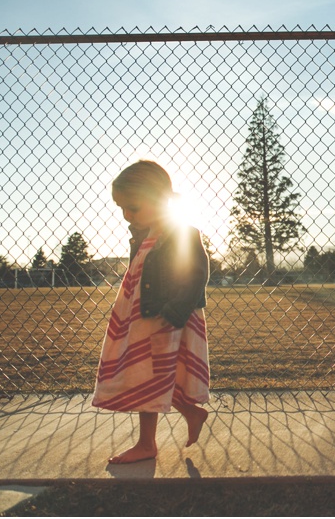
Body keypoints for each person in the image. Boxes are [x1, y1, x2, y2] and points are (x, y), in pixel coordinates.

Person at [92, 160, 211, 464]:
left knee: (150, 374)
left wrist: (177, 311)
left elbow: (196, 274)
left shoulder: (181, 232)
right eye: (122, 209)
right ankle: (190, 413)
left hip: (165, 317)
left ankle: (147, 444)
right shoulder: (146, 235)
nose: (126, 215)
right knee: (150, 373)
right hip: (144, 316)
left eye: (132, 207)